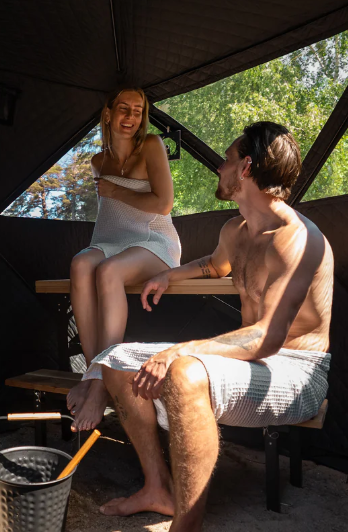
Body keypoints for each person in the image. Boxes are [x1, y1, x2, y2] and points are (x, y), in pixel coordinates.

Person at [82, 121, 333, 531]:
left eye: (227, 159)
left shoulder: (295, 239)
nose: (219, 166)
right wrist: (169, 275)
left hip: (296, 370)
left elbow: (268, 338)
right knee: (115, 359)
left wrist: (179, 351)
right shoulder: (235, 230)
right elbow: (214, 266)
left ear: (246, 168)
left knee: (184, 371)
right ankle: (157, 488)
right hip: (251, 363)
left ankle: (188, 525)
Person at [67, 88, 181, 432]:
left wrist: (116, 190)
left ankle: (106, 378)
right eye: (123, 109)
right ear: (108, 113)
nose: (131, 117)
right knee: (80, 264)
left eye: (137, 110)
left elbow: (163, 203)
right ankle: (94, 374)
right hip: (112, 241)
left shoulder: (152, 146)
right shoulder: (98, 162)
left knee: (109, 271)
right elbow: (111, 219)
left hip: (154, 242)